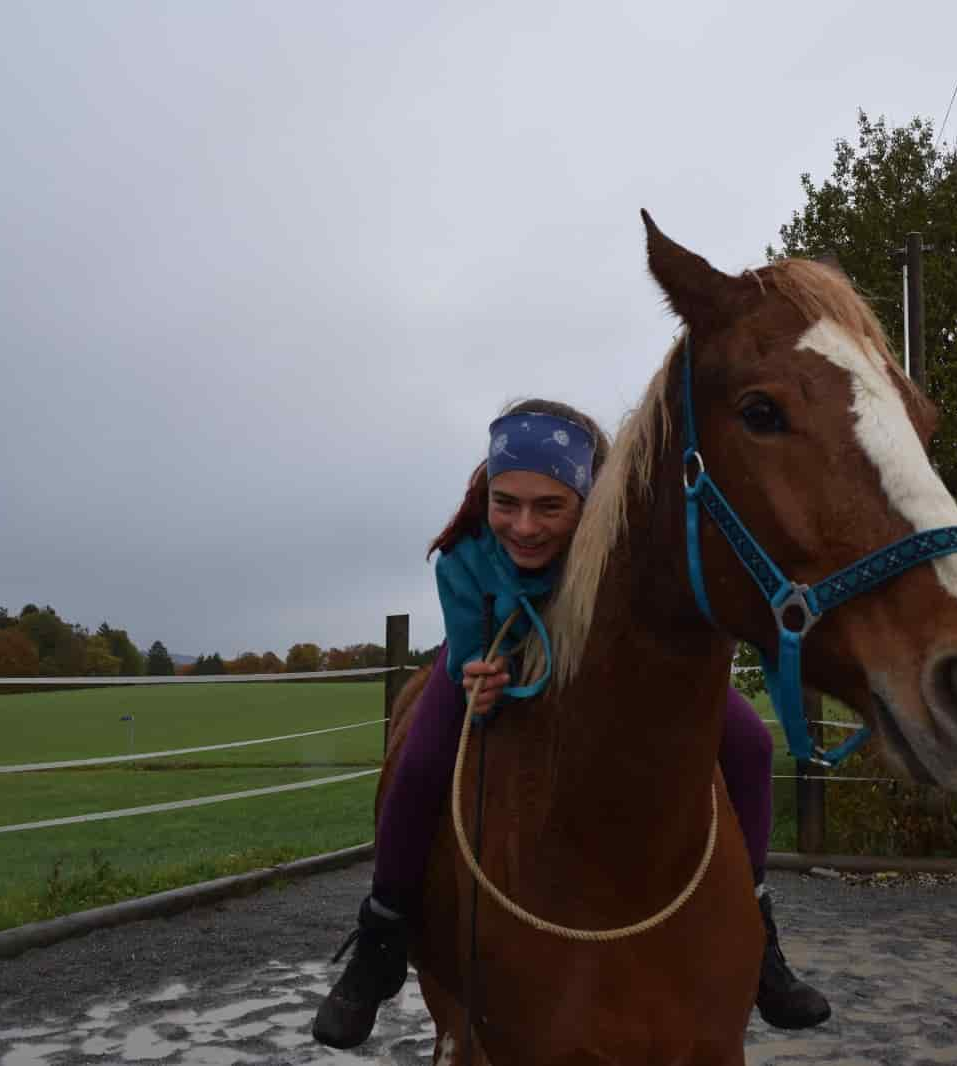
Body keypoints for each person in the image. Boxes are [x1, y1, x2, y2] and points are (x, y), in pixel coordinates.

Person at [311, 399, 829, 1049]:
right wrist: (479, 672)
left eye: (549, 507)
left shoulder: (622, 544)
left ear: (586, 501)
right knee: (419, 763)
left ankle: (760, 936)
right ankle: (381, 937)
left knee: (750, 743)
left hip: (596, 652)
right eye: (508, 503)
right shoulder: (465, 557)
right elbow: (472, 638)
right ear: (488, 493)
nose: (523, 526)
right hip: (496, 648)